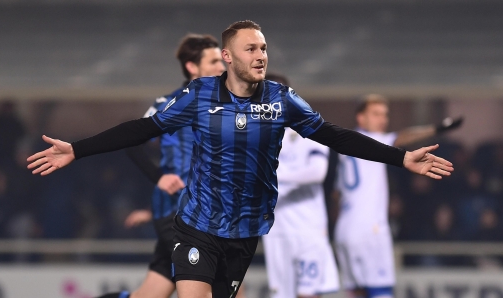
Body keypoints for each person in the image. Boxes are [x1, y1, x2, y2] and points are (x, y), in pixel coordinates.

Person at [27, 20, 453, 298]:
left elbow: (335, 136)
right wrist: (78, 149)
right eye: (250, 48)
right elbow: (142, 130)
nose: (260, 55)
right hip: (196, 225)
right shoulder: (199, 95)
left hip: (246, 231)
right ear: (227, 57)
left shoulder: (282, 99)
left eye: (263, 47)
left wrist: (400, 158)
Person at [97, 34, 225, 298]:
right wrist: (159, 179)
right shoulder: (170, 104)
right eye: (214, 61)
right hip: (178, 217)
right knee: (211, 287)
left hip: (205, 217)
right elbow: (133, 143)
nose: (221, 66)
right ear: (192, 67)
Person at [333, 94, 462, 298]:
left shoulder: (343, 144)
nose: (382, 120)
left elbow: (335, 194)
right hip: (370, 229)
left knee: (357, 292)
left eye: (385, 115)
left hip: (345, 230)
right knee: (381, 291)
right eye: (376, 114)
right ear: (361, 119)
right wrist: (437, 129)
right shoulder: (371, 140)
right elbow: (402, 137)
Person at [262, 73, 339, 298]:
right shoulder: (256, 136)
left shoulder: (309, 128)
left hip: (308, 229)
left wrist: (273, 175)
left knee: (309, 294)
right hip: (275, 232)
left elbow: (317, 172)